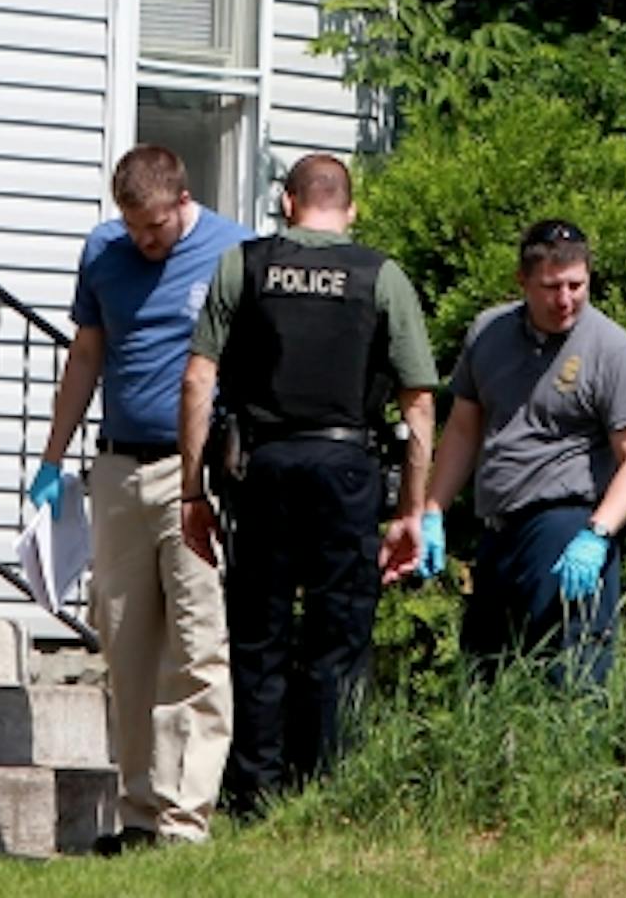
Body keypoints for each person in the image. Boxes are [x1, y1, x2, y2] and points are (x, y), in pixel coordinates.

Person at [176, 154, 437, 820]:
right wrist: (411, 511)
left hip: (262, 469)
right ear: (350, 210)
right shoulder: (383, 276)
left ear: (288, 203)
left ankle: (253, 799)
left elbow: (197, 380)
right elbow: (419, 406)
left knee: (258, 637)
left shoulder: (244, 264)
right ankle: (325, 793)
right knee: (338, 639)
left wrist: (191, 492)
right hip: (346, 470)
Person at [27, 145, 252, 852]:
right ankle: (138, 815)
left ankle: (186, 823)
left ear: (183, 200)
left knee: (196, 645)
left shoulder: (234, 250)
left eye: (154, 228)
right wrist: (53, 456)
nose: (144, 242)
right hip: (118, 469)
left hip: (197, 478)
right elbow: (87, 353)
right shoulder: (103, 251)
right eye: (134, 228)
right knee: (124, 647)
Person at [381, 218, 626, 681]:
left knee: (569, 684)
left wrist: (597, 535)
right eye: (551, 287)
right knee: (487, 679)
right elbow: (464, 431)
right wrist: (432, 512)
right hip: (499, 532)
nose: (565, 300)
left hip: (567, 527)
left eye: (576, 285)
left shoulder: (613, 349)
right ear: (523, 281)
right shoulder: (489, 333)